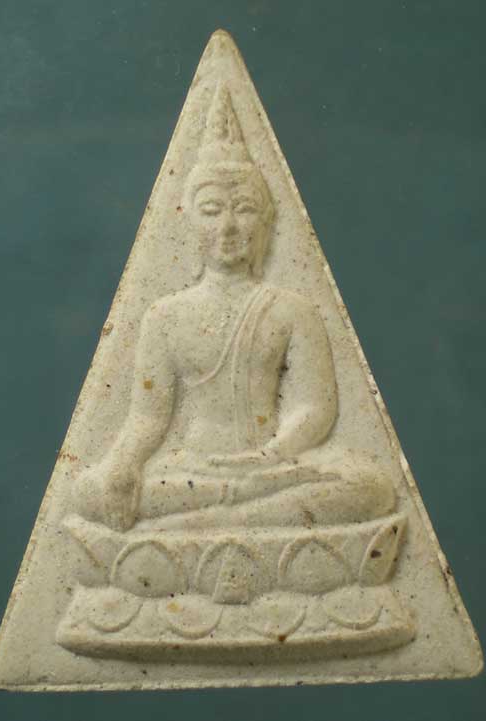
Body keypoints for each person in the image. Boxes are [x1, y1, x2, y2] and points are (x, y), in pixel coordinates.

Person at [74, 86, 395, 533]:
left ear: (265, 221)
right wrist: (123, 463)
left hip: (272, 468)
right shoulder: (165, 315)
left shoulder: (292, 310)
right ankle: (235, 514)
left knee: (372, 487)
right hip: (194, 470)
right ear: (189, 221)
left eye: (243, 209)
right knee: (87, 491)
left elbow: (314, 407)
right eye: (211, 210)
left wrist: (271, 456)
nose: (227, 226)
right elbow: (148, 417)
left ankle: (223, 520)